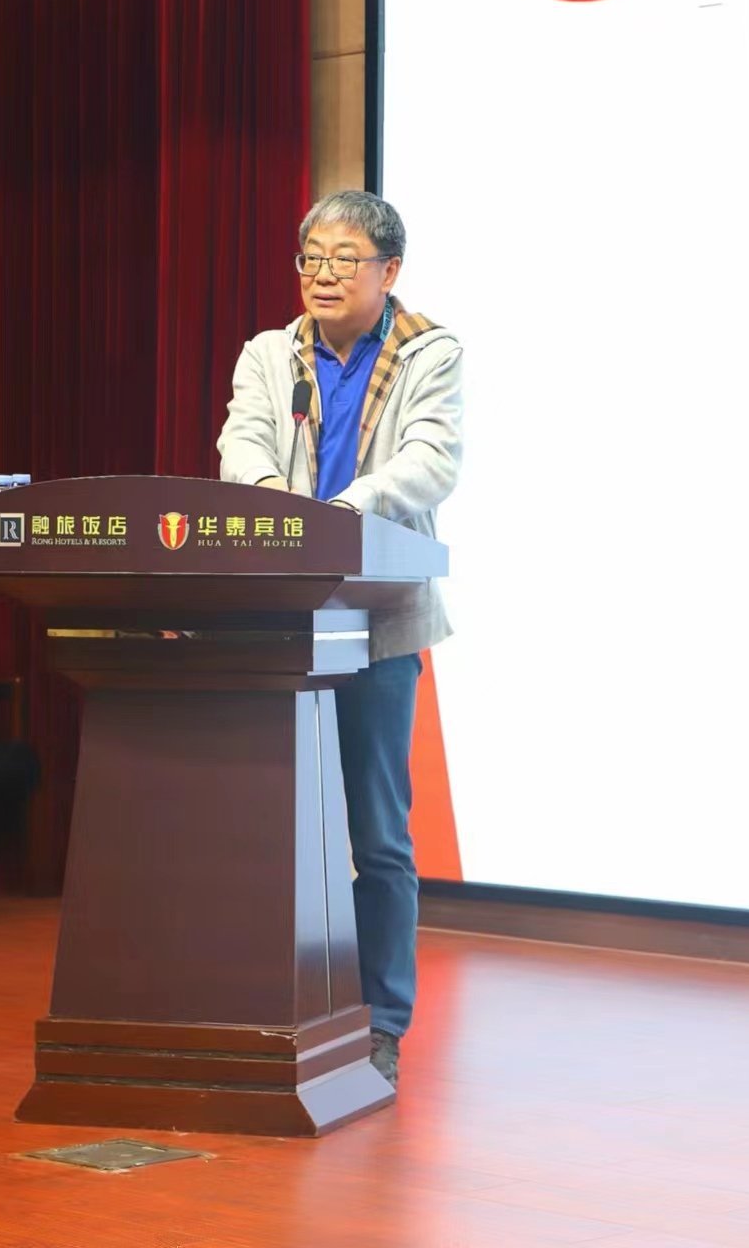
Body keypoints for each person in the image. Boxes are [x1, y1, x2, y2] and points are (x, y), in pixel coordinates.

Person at [217, 190, 463, 1088]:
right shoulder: (269, 353)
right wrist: (275, 509)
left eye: (344, 259)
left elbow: (431, 460)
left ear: (388, 271)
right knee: (273, 826)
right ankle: (280, 1007)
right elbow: (241, 443)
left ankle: (382, 1024)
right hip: (282, 616)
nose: (323, 275)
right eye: (311, 258)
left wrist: (339, 514)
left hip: (379, 617)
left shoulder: (430, 351)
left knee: (379, 835)